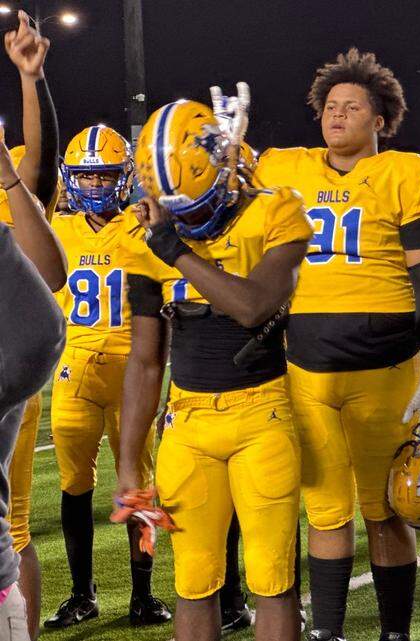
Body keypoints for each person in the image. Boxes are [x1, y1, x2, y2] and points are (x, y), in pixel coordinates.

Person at [252, 49, 420, 641]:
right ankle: (329, 632)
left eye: (352, 107)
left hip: (385, 367)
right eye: (330, 107)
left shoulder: (407, 174)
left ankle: (394, 633)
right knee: (326, 510)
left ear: (380, 120)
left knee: (388, 509)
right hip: (305, 366)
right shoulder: (285, 166)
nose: (337, 116)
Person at [116, 97, 312, 641]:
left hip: (262, 415)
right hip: (188, 423)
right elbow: (146, 357)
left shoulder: (276, 212)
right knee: (193, 579)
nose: (190, 220)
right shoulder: (147, 240)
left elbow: (252, 307)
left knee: (272, 581)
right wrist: (131, 465)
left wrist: (175, 250)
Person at [43, 125, 172, 630]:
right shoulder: (55, 227)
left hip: (131, 371)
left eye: (103, 176)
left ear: (123, 179)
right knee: (74, 485)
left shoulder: (142, 227)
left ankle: (143, 593)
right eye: (85, 176)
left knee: (138, 487)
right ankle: (82, 594)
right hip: (74, 370)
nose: (94, 186)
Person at [0, 12, 64, 638]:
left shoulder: (9, 187)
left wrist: (29, 77)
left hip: (5, 372)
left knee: (12, 522)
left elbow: (37, 159)